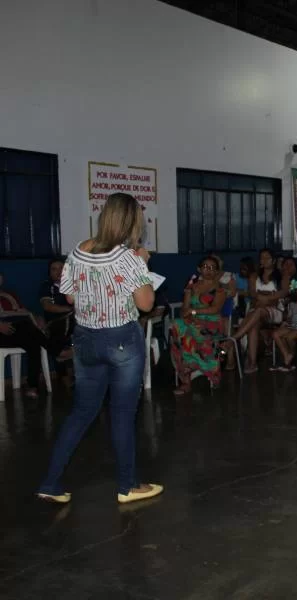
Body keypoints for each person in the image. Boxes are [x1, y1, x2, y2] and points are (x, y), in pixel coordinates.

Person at [37, 193, 163, 505]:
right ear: (132, 221)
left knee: (81, 412)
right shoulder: (129, 257)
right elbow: (146, 304)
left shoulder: (78, 250)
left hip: (86, 339)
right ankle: (128, 485)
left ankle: (50, 483)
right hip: (121, 338)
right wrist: (143, 264)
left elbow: (68, 298)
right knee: (122, 414)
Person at [169, 256, 227, 395]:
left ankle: (203, 370)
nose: (209, 270)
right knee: (177, 325)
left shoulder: (220, 289)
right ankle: (186, 379)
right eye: (205, 267)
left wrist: (193, 312)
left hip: (212, 323)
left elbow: (215, 309)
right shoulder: (192, 287)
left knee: (190, 334)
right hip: (193, 322)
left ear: (217, 271)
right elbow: (185, 308)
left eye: (212, 268)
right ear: (199, 269)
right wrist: (187, 316)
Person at [224, 248, 288, 373]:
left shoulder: (282, 275)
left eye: (266, 257)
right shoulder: (254, 275)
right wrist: (267, 296)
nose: (263, 260)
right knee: (254, 324)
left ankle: (234, 338)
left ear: (273, 260)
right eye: (261, 257)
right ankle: (252, 363)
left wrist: (266, 298)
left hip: (275, 311)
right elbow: (252, 293)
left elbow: (284, 292)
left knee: (258, 311)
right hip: (257, 310)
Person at [39, 256, 75, 361]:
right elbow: (48, 306)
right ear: (49, 272)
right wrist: (69, 310)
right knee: (60, 328)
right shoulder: (47, 287)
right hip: (56, 322)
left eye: (61, 268)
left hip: (77, 320)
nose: (58, 272)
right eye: (54, 269)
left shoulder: (75, 284)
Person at [270, 282, 297, 372]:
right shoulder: (292, 304)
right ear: (296, 292)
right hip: (293, 327)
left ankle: (291, 356)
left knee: (289, 337)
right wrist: (285, 322)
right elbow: (290, 318)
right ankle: (287, 356)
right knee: (275, 333)